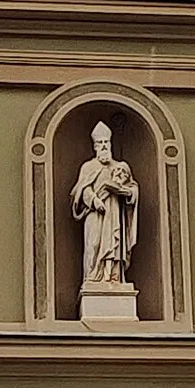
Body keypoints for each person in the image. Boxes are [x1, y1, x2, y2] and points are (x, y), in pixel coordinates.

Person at [71, 120, 139, 288]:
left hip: (115, 212)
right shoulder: (88, 167)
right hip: (95, 213)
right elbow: (81, 190)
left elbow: (133, 187)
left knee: (114, 246)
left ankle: (114, 277)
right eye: (99, 143)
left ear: (110, 144)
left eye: (106, 142)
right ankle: (93, 278)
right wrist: (94, 200)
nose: (103, 146)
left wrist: (126, 192)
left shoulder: (120, 167)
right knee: (93, 244)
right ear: (94, 147)